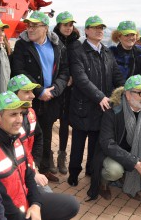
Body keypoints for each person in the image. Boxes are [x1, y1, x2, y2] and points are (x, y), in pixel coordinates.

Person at [0, 91, 80, 220]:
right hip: (9, 213)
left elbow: (28, 175)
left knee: (71, 204)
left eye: (21, 114)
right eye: (13, 114)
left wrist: (35, 204)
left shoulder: (14, 138)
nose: (19, 120)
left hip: (25, 199)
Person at [12, 11, 69, 182]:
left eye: (34, 26)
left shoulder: (58, 46)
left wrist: (54, 90)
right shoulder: (22, 46)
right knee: (26, 134)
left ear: (45, 28)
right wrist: (39, 91)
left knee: (45, 134)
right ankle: (27, 170)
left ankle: (43, 169)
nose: (30, 29)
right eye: (28, 25)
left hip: (51, 100)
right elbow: (19, 70)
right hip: (30, 99)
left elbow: (65, 72)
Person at [68, 15, 125, 187]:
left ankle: (91, 170)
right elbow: (81, 78)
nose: (99, 30)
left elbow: (116, 75)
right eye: (94, 28)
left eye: (101, 27)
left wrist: (125, 91)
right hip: (83, 106)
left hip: (102, 107)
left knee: (95, 143)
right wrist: (100, 96)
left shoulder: (107, 52)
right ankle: (73, 173)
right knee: (78, 144)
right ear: (86, 31)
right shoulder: (77, 51)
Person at [87, 75, 141, 201]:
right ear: (128, 95)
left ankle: (128, 178)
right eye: (140, 93)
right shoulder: (112, 111)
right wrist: (134, 163)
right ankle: (103, 183)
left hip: (138, 155)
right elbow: (107, 143)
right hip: (113, 154)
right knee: (114, 171)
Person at [7, 74, 53, 193]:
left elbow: (38, 137)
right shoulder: (5, 122)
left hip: (29, 168)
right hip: (16, 178)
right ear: (14, 95)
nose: (33, 95)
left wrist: (35, 165)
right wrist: (32, 172)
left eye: (32, 91)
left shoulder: (30, 112)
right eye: (27, 92)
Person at [53, 11, 80, 175]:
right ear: (58, 26)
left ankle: (61, 156)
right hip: (56, 86)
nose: (69, 28)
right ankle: (46, 156)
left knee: (64, 123)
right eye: (65, 25)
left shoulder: (76, 43)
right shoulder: (52, 41)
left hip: (70, 89)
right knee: (48, 122)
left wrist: (73, 77)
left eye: (71, 24)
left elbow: (79, 63)